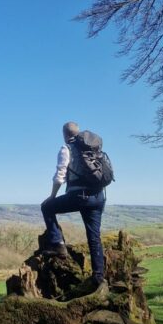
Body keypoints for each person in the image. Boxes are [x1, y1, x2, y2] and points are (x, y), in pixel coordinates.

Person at [40, 121, 106, 285]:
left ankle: (58, 244)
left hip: (79, 196)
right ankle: (99, 277)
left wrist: (52, 196)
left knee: (46, 207)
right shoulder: (93, 147)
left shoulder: (67, 148)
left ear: (64, 134)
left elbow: (60, 175)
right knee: (94, 237)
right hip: (99, 197)